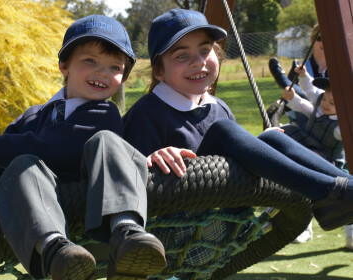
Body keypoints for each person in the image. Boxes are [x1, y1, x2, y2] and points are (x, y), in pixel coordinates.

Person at [0, 15, 166, 280]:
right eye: (90, 61)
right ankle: (56, 249)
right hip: (56, 239)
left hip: (101, 227)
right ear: (64, 65)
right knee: (20, 165)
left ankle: (127, 232)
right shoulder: (33, 118)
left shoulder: (103, 113)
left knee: (107, 142)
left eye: (115, 68)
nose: (103, 73)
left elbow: (51, 147)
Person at [123, 8, 353, 256]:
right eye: (181, 56)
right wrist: (150, 158)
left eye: (205, 50)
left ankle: (345, 190)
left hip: (227, 222)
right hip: (177, 235)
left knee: (271, 137)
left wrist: (263, 150)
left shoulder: (217, 106)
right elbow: (124, 178)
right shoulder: (147, 112)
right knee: (223, 130)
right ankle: (328, 192)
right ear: (158, 71)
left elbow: (235, 164)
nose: (198, 61)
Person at [282, 75, 352, 248]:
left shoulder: (340, 128)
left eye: (332, 103)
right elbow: (310, 92)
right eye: (326, 99)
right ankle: (304, 229)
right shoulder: (321, 104)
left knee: (343, 200)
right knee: (302, 192)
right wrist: (303, 76)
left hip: (329, 164)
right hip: (308, 152)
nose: (326, 104)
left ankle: (351, 235)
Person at [269, 24, 327, 128]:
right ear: (311, 41)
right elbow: (289, 97)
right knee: (299, 93)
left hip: (329, 116)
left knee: (318, 97)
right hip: (303, 119)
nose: (323, 42)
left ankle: (284, 81)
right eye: (319, 38)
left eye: (326, 39)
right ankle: (286, 83)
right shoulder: (300, 66)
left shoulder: (339, 70)